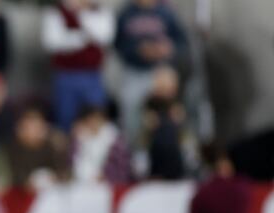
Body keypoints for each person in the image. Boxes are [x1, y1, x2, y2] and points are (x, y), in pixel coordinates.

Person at [114, 0, 187, 149]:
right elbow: (118, 44)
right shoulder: (126, 13)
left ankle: (170, 153)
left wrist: (167, 48)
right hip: (134, 71)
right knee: (131, 113)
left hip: (160, 71)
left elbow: (181, 42)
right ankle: (133, 154)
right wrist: (138, 49)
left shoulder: (166, 12)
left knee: (167, 115)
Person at [41, 0, 115, 131]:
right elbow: (51, 42)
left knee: (96, 116)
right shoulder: (56, 12)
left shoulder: (100, 12)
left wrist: (80, 17)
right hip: (65, 75)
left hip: (93, 75)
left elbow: (104, 37)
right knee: (65, 117)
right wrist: (82, 38)